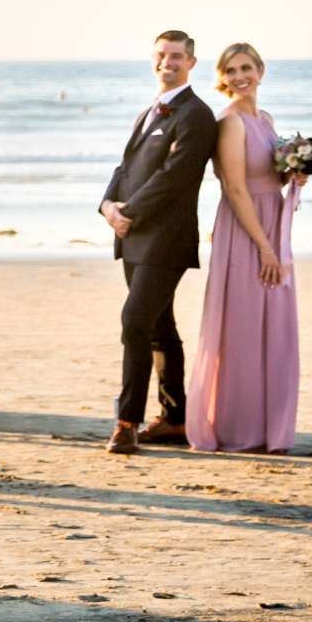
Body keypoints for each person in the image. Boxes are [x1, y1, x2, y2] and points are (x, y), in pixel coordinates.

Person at [98, 30, 218, 454]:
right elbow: (126, 165)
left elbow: (175, 178)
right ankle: (174, 419)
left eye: (177, 56)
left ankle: (126, 422)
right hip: (133, 237)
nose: (168, 62)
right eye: (162, 55)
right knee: (159, 326)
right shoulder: (150, 110)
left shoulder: (196, 115)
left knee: (134, 321)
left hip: (165, 240)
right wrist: (107, 204)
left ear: (192, 63)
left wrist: (127, 212)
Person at [186, 43, 299, 453]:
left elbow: (271, 178)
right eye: (230, 70)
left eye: (246, 67)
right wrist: (265, 248)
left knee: (276, 323)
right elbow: (235, 188)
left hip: (273, 224)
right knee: (244, 325)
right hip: (245, 230)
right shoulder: (230, 122)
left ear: (261, 70)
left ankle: (271, 427)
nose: (239, 76)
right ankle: (239, 427)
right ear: (221, 77)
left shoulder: (264, 119)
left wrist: (299, 172)